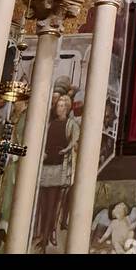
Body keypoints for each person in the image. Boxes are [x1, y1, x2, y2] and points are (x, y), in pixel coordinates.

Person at [34, 91, 79, 250]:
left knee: (53, 205)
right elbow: (43, 141)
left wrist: (65, 150)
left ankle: (46, 237)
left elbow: (74, 140)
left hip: (58, 167)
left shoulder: (71, 124)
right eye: (58, 106)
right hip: (46, 165)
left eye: (62, 106)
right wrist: (44, 153)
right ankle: (41, 235)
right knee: (43, 204)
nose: (59, 108)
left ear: (67, 108)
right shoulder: (51, 124)